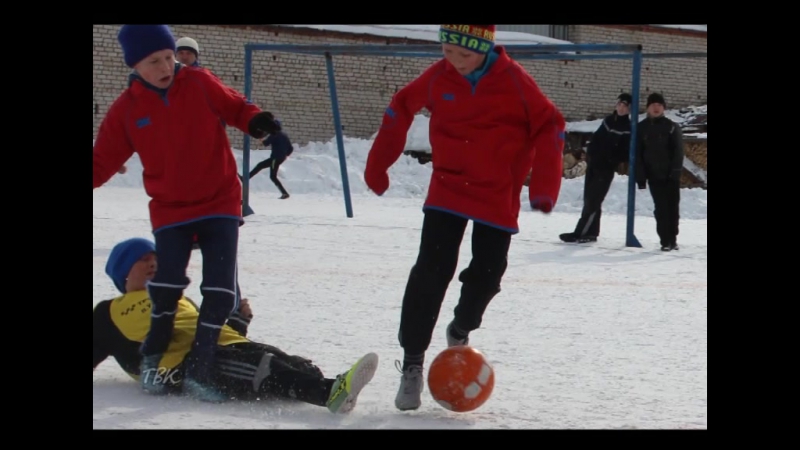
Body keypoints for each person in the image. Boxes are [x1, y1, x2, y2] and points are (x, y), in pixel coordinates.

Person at [363, 24, 565, 411]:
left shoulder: (515, 81)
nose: (454, 62)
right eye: (447, 52)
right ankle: (412, 363)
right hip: (448, 188)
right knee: (430, 271)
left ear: (485, 49)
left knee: (489, 273)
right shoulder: (438, 76)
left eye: (464, 55)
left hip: (496, 192)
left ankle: (461, 326)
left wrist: (544, 185)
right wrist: (378, 165)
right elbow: (400, 107)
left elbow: (550, 125)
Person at [92, 24, 282, 402]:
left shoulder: (198, 82)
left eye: (168, 57)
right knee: (167, 287)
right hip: (171, 209)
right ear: (135, 65)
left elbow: (236, 107)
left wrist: (257, 121)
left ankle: (200, 367)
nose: (166, 65)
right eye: (154, 61)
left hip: (219, 201)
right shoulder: (127, 109)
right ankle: (152, 361)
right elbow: (101, 162)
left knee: (219, 288)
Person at [93, 237, 379, 412]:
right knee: (263, 369)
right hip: (190, 364)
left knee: (294, 364)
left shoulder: (179, 298)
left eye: (155, 257)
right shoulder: (110, 311)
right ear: (122, 274)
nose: (152, 262)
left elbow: (207, 327)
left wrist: (237, 322)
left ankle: (315, 384)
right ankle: (329, 393)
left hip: (227, 343)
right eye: (142, 260)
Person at [560, 93, 632, 243]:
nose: (621, 108)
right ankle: (591, 233)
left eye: (625, 106)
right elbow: (596, 140)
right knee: (589, 199)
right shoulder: (608, 121)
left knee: (594, 200)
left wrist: (610, 159)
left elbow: (624, 152)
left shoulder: (628, 128)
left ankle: (581, 232)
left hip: (606, 169)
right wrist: (591, 154)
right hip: (594, 165)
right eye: (620, 104)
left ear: (629, 109)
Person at [635, 92, 684, 251]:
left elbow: (678, 151)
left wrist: (675, 172)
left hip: (671, 175)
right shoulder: (642, 128)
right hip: (654, 175)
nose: (656, 108)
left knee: (673, 208)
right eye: (653, 105)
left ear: (663, 108)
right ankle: (665, 240)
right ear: (648, 107)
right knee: (661, 208)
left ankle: (673, 238)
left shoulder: (671, 126)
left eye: (659, 105)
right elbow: (638, 154)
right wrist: (641, 176)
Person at [248, 120, 294, 199]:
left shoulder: (274, 134)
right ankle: (246, 178)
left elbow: (266, 143)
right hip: (279, 158)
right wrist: (286, 155)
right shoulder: (284, 135)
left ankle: (285, 193)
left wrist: (260, 138)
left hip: (275, 158)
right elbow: (291, 148)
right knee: (260, 165)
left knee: (273, 176)